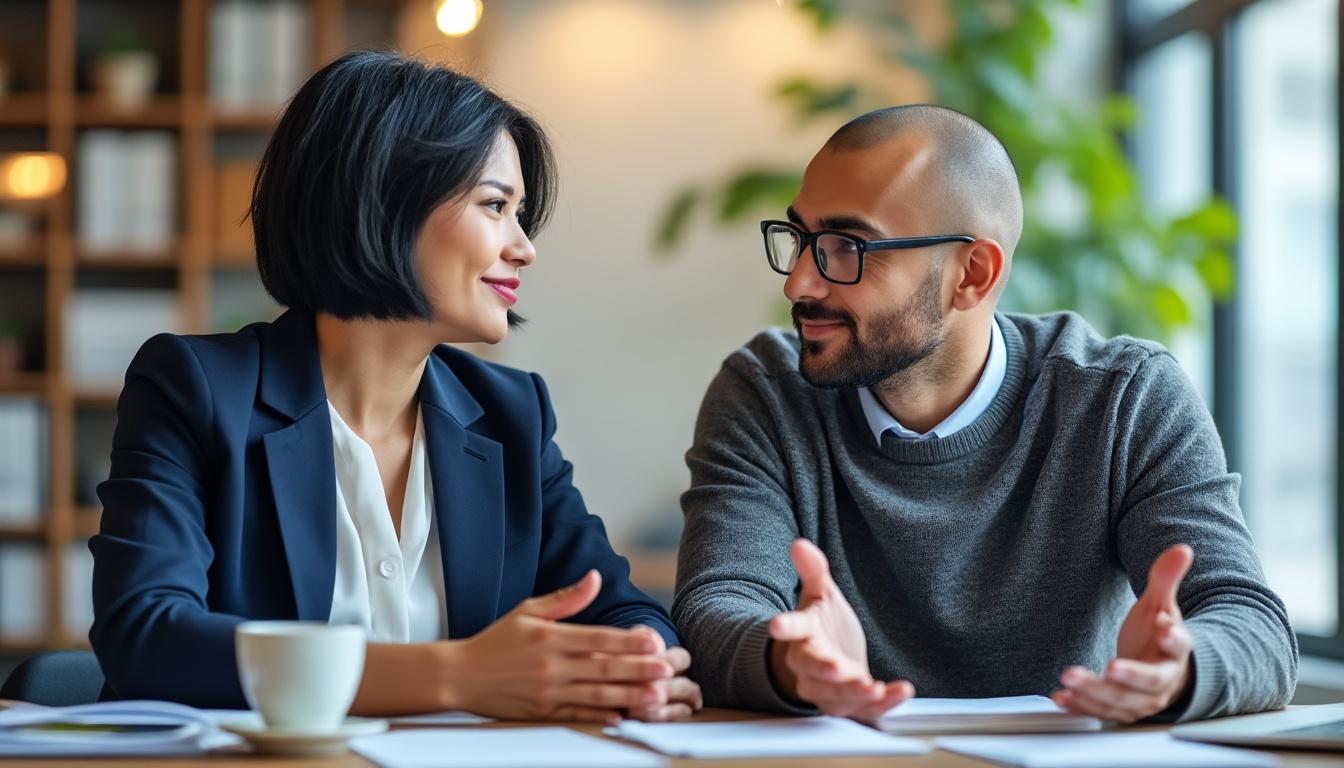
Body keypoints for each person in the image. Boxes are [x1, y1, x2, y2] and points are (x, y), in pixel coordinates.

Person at [90, 51, 701, 723]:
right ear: (382, 202)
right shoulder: (196, 390)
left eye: (520, 214)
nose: (524, 247)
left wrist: (643, 666)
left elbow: (622, 610)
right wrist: (459, 676)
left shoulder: (512, 415)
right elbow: (148, 635)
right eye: (496, 206)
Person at [673, 104, 1296, 724]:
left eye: (846, 247)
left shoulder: (1122, 398)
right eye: (801, 240)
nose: (799, 283)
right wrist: (789, 659)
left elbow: (1253, 624)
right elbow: (715, 606)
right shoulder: (765, 393)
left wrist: (1182, 667)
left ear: (972, 274)